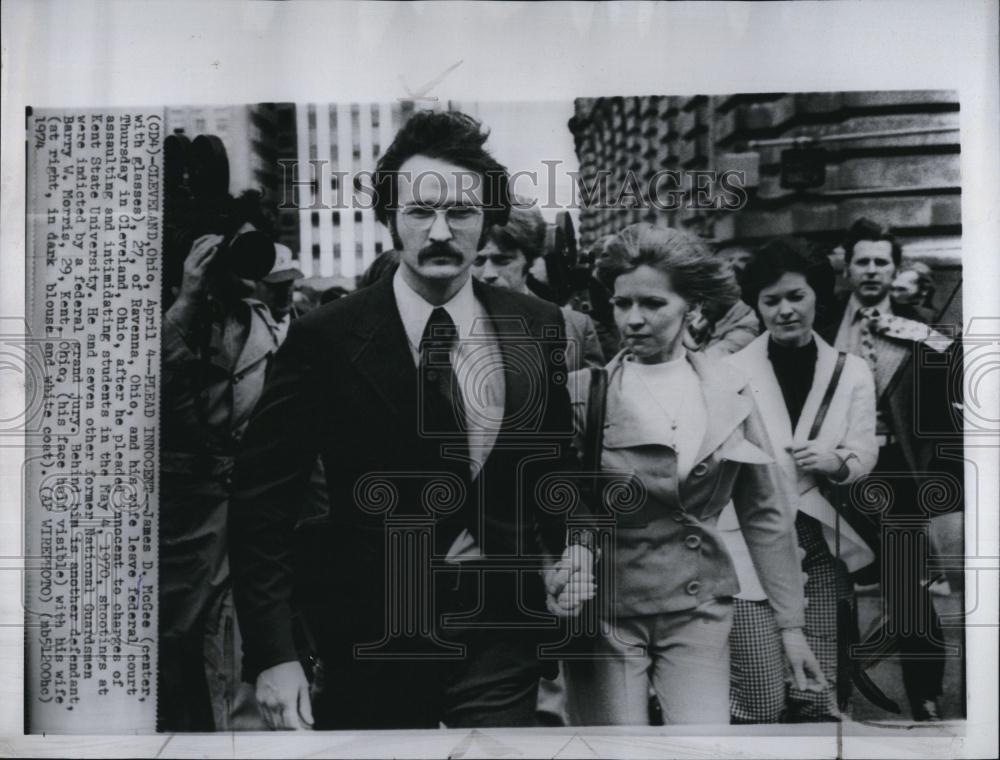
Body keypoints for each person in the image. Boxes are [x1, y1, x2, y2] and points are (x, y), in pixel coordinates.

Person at [228, 110, 595, 731]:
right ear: (390, 217)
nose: (441, 231)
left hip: (499, 629)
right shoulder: (327, 339)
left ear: (488, 219)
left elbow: (556, 468)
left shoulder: (535, 325)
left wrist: (575, 547)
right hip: (370, 634)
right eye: (421, 211)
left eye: (462, 212)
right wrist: (274, 653)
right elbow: (262, 504)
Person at [563, 223, 825, 725]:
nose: (633, 319)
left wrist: (791, 627)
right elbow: (562, 506)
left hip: (699, 608)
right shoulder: (584, 393)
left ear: (694, 308)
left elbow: (766, 513)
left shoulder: (730, 389)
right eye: (622, 304)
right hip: (609, 612)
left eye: (653, 304)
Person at [718, 237, 878, 722]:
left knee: (819, 687)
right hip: (746, 543)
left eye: (797, 297)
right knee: (761, 697)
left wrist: (837, 462)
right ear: (757, 306)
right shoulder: (727, 371)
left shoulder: (851, 371)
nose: (786, 310)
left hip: (820, 536)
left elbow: (864, 449)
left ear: (817, 298)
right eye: (771, 301)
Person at [819, 217, 961, 721]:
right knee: (833, 584)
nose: (872, 270)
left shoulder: (922, 330)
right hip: (834, 472)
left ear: (894, 269)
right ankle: (835, 693)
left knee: (905, 588)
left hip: (895, 473)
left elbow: (945, 408)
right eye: (863, 261)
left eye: (882, 261)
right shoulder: (824, 321)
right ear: (848, 268)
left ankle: (924, 694)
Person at [160, 221, 280, 731]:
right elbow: (142, 397)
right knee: (175, 667)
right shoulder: (171, 320)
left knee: (238, 670)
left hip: (251, 516)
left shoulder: (263, 323)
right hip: (184, 523)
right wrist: (187, 299)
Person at [472, 198, 604, 371]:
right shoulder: (447, 320)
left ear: (530, 260)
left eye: (502, 260)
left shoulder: (575, 327)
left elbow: (592, 393)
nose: (488, 273)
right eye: (478, 261)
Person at [255, 243, 304, 345]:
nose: (286, 291)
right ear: (255, 284)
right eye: (276, 285)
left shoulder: (308, 320)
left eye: (289, 282)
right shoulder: (243, 326)